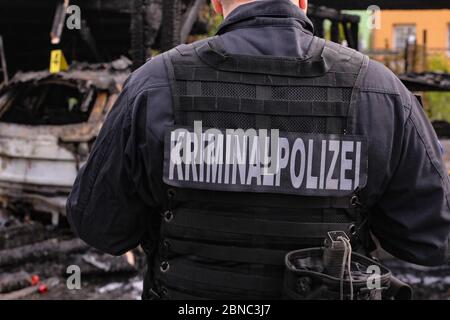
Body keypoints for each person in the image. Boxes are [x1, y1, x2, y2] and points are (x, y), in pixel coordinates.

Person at [67, 0, 450, 300]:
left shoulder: (152, 85)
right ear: (302, 1)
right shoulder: (380, 91)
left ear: (217, 3)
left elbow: (99, 226)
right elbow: (430, 239)